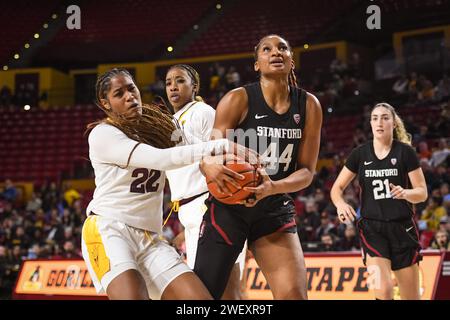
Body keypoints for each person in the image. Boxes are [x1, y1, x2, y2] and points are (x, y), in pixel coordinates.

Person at [81, 68, 251, 300]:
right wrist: (221, 146)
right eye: (119, 94)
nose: (130, 96)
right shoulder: (103, 134)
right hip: (110, 230)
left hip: (151, 238)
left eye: (131, 89)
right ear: (106, 103)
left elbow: (191, 153)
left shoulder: (157, 129)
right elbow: (161, 159)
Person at [195, 34, 322, 300]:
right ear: (256, 64)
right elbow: (211, 151)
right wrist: (209, 166)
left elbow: (307, 172)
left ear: (291, 60)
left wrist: (272, 187)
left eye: (282, 48)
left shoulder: (309, 105)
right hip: (228, 209)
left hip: (273, 209)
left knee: (295, 296)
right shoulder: (237, 99)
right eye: (267, 49)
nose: (276, 52)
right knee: (206, 298)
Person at [164, 64, 247, 299]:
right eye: (169, 82)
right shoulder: (172, 119)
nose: (173, 87)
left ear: (195, 86)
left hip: (208, 204)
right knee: (208, 290)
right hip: (188, 209)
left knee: (227, 289)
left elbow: (218, 155)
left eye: (180, 81)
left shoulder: (202, 111)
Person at [331, 102, 428, 300]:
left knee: (411, 297)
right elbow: (336, 189)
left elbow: (422, 192)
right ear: (370, 123)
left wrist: (406, 193)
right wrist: (340, 204)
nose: (379, 122)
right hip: (372, 229)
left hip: (403, 229)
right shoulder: (359, 154)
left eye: (385, 117)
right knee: (383, 292)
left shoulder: (405, 152)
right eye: (375, 118)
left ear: (393, 123)